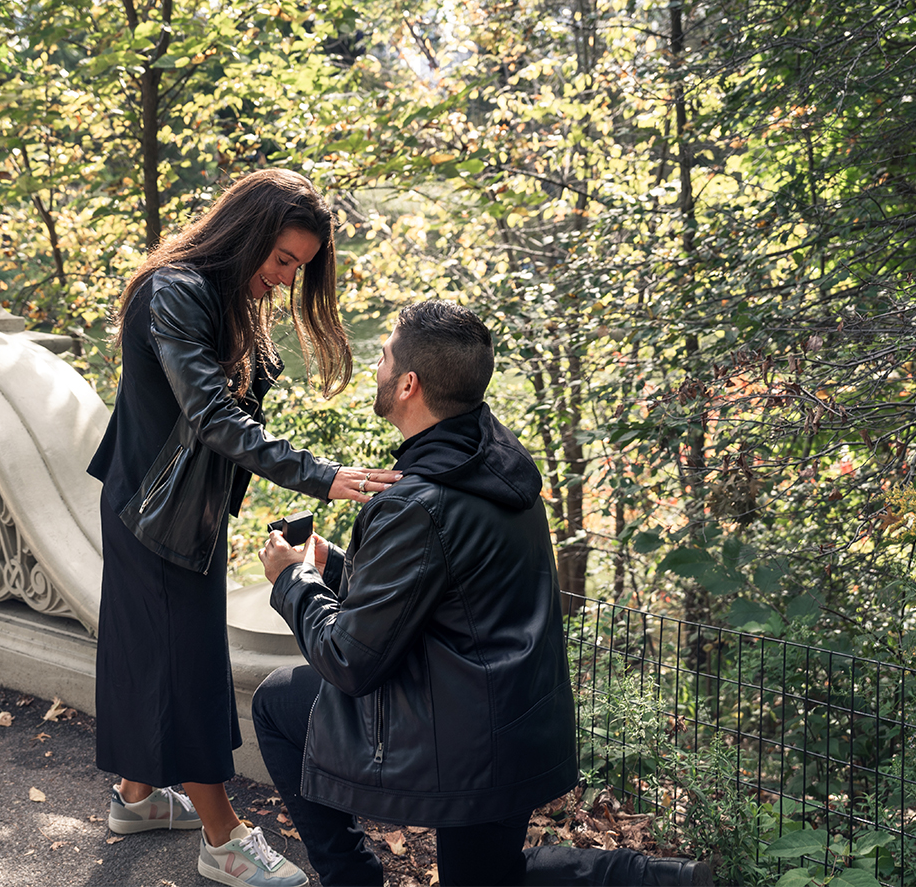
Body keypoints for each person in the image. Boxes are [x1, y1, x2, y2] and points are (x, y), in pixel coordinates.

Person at [253, 301, 714, 887]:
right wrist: (330, 563)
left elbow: (349, 659)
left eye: (383, 356)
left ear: (408, 385)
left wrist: (292, 578)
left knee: (276, 703)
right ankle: (673, 880)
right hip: (516, 717)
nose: (376, 365)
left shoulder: (418, 502)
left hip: (460, 734)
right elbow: (437, 596)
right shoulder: (493, 462)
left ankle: (351, 879)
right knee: (492, 878)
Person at [87, 168, 400, 887]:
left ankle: (137, 799)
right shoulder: (175, 291)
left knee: (156, 655)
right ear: (248, 232)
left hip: (174, 508)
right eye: (283, 259)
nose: (286, 278)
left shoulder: (224, 297)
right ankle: (223, 839)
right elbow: (213, 417)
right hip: (152, 513)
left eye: (299, 266)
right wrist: (323, 475)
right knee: (185, 666)